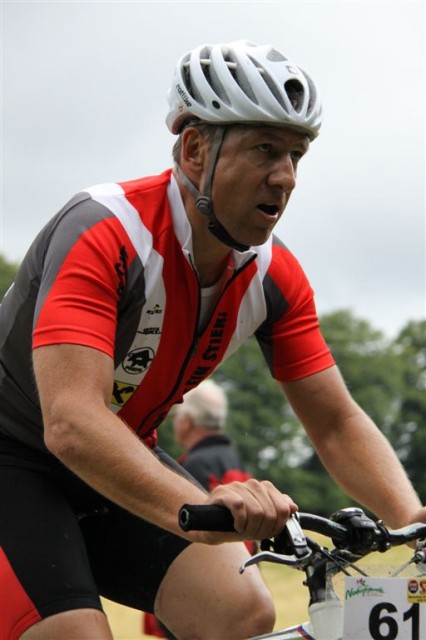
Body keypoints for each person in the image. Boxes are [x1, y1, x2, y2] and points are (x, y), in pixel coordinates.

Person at [0, 39, 425, 640]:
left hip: (113, 458)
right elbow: (71, 422)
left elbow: (334, 421)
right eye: (265, 149)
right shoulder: (105, 231)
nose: (286, 177)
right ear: (196, 149)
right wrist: (196, 512)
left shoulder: (272, 275)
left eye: (297, 155)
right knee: (74, 634)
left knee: (239, 610)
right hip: (13, 457)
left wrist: (413, 520)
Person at [143, 379, 255, 638]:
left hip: (207, 590)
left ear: (188, 421)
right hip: (243, 580)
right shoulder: (232, 459)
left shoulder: (193, 465)